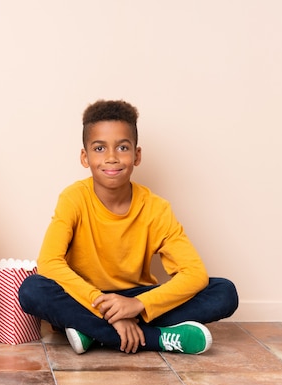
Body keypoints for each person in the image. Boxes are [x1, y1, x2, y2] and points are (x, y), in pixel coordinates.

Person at [18, 100, 238, 355]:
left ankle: (92, 332)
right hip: (85, 297)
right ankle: (156, 338)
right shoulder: (73, 199)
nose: (111, 157)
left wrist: (137, 304)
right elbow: (49, 262)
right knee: (32, 289)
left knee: (224, 292)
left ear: (137, 155)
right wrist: (107, 309)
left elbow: (194, 273)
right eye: (99, 148)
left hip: (135, 298)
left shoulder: (156, 208)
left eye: (122, 147)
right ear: (84, 157)